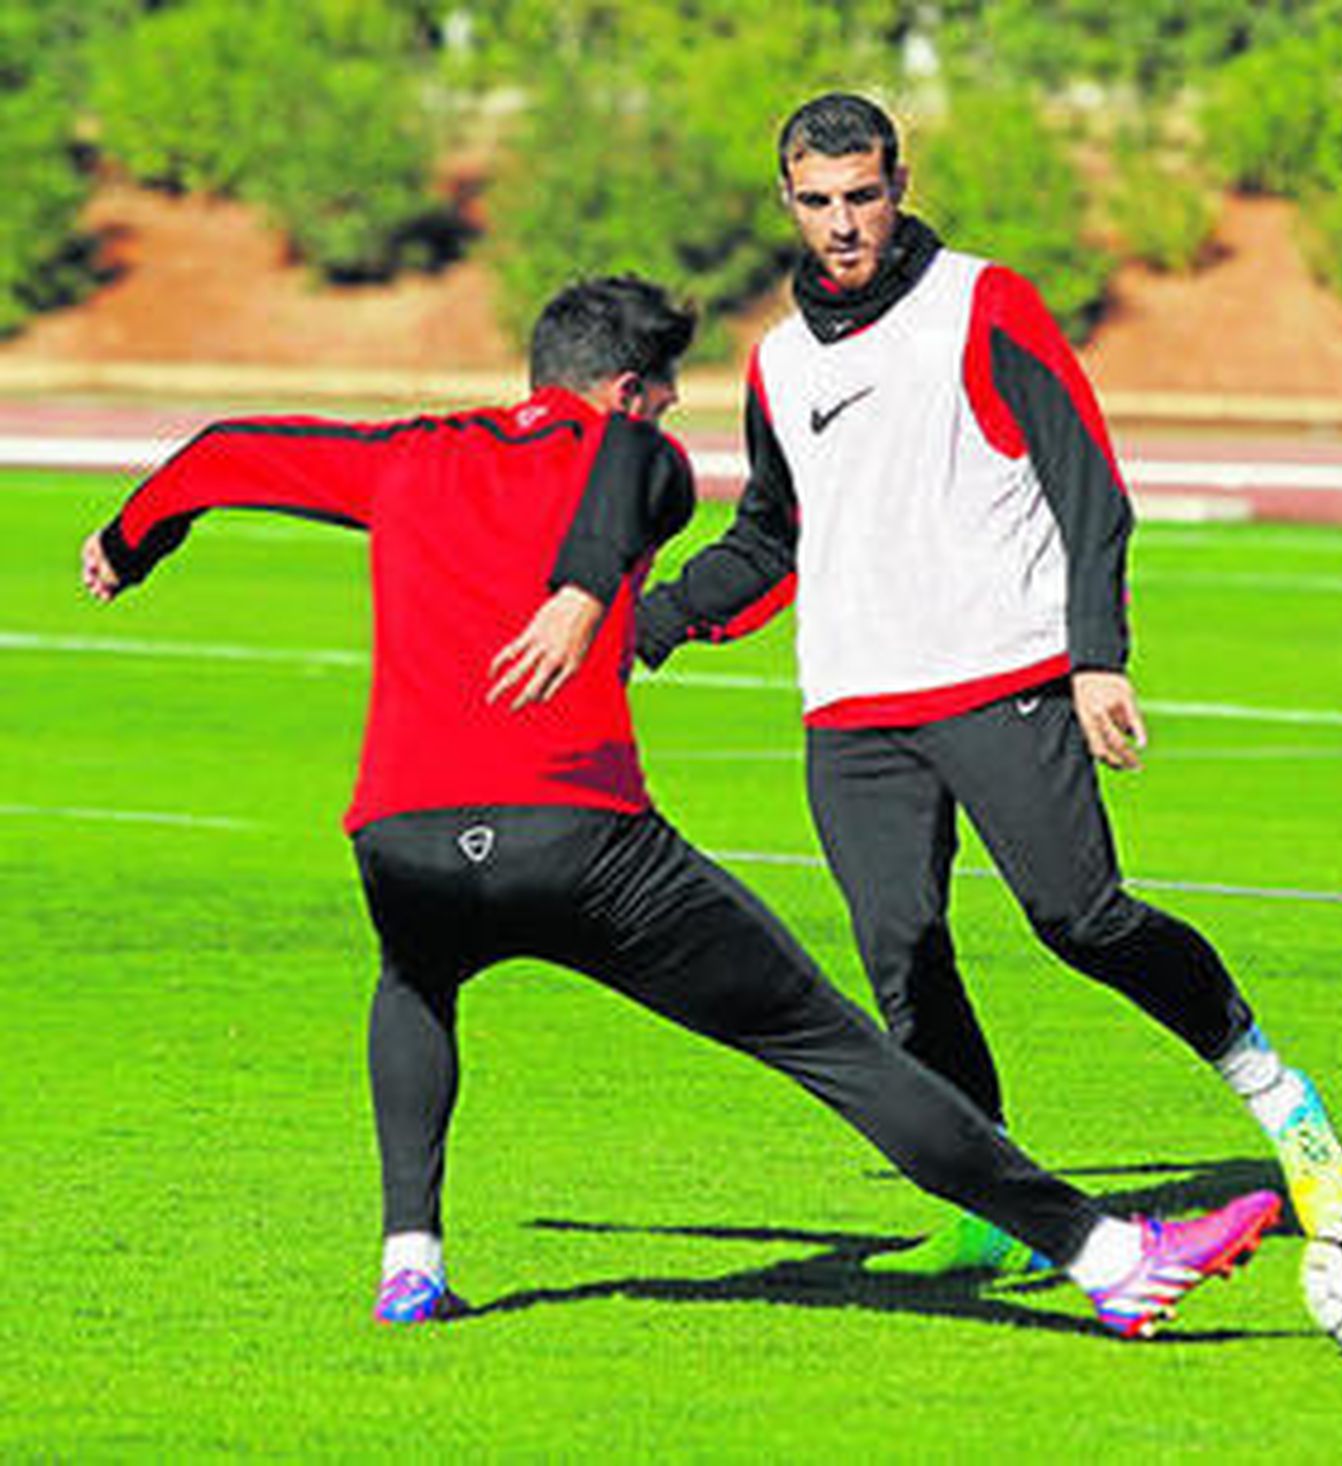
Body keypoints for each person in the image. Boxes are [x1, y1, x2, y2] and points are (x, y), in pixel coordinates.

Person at [80, 275, 1279, 1338]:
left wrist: (134, 542)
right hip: (582, 841)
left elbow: (226, 447)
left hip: (404, 840)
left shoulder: (412, 452)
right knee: (829, 1041)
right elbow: (622, 474)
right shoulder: (629, 448)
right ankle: (1109, 1255)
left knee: (414, 981)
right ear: (624, 389)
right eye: (659, 400)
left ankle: (410, 1262)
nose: (666, 426)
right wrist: (583, 587)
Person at [635, 94, 1342, 1274]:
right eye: (817, 201)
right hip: (855, 710)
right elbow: (773, 537)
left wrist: (1095, 655)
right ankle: (994, 1207)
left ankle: (1282, 1099)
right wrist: (650, 620)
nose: (842, 224)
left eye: (861, 195)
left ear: (899, 182)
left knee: (1079, 918)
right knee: (901, 949)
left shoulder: (980, 301)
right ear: (788, 201)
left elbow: (1086, 483)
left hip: (1001, 676)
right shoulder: (775, 361)